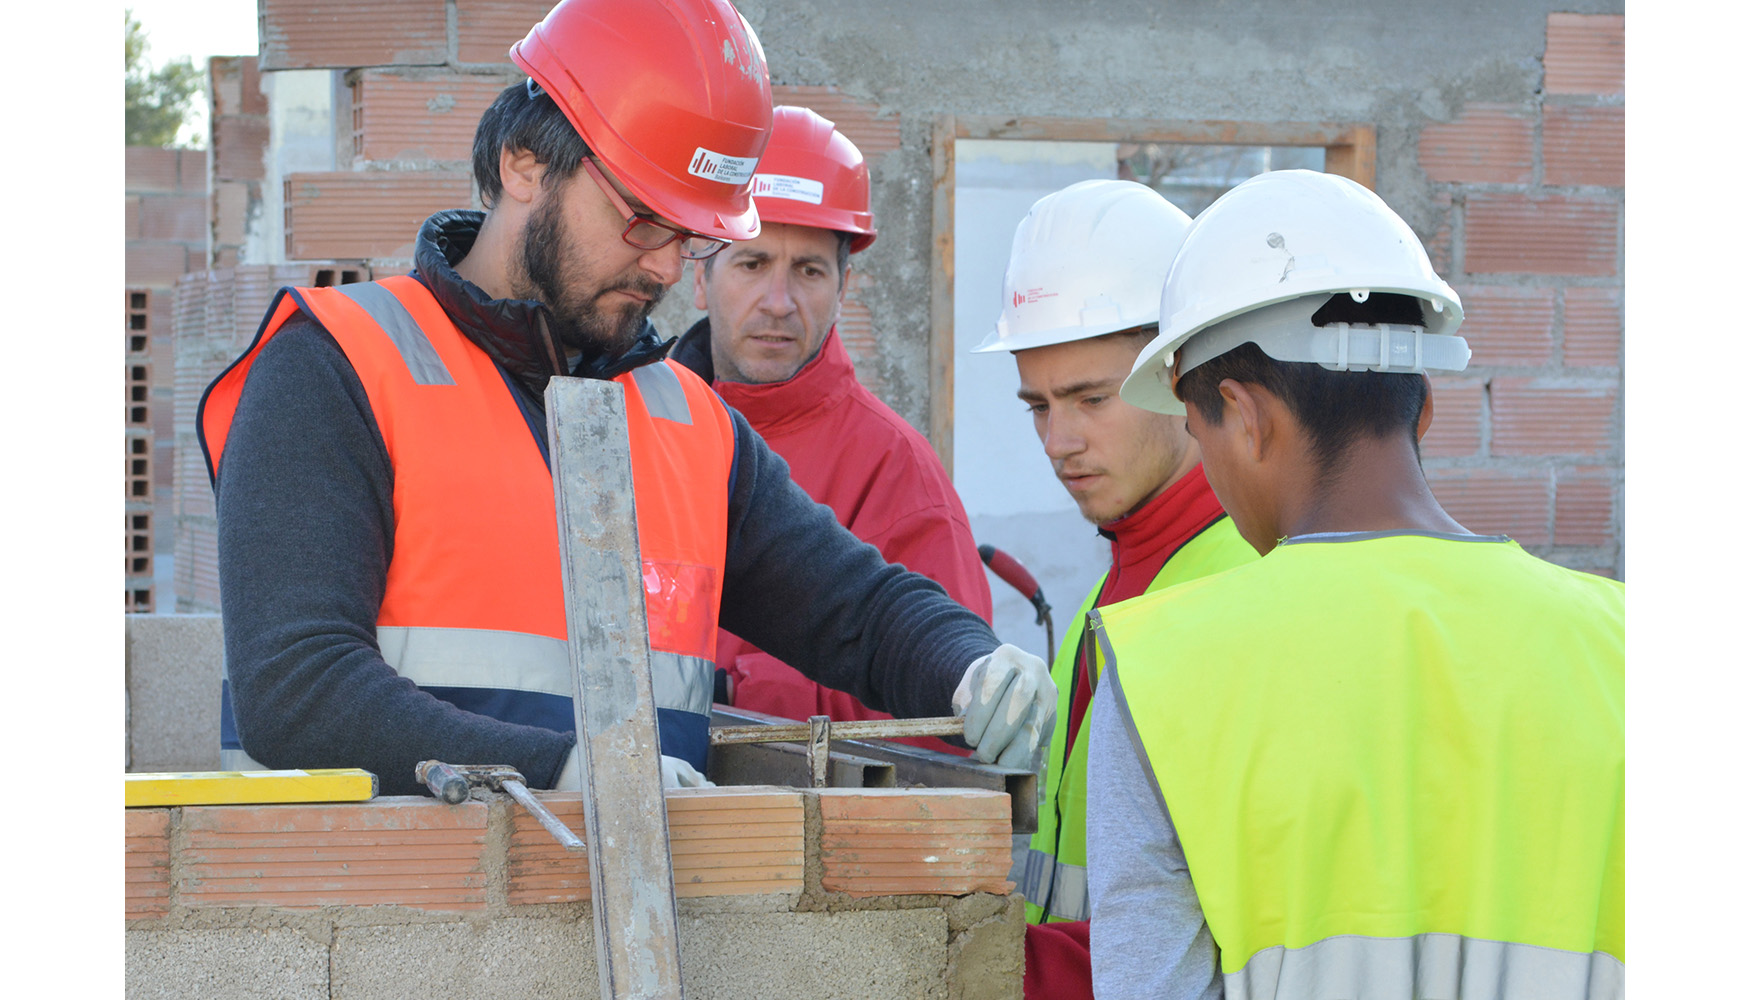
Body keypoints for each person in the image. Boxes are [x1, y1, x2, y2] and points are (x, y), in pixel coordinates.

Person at [196, 0, 1054, 797]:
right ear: (524, 165)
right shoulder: (336, 366)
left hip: (634, 942)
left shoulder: (686, 419)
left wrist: (971, 665)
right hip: (399, 935)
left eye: (690, 237)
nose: (666, 268)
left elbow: (856, 609)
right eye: (643, 219)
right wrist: (564, 770)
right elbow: (296, 687)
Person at [1085, 169, 1625, 999]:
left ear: (1246, 414)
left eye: (1200, 432)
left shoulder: (1165, 672)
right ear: (1424, 409)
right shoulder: (1627, 648)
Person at [969, 179, 1258, 1000]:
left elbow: (1220, 935)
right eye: (1038, 406)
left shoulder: (1240, 589)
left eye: (1091, 399)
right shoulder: (1124, 582)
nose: (1059, 442)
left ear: (1181, 373)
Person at [671, 105, 992, 754]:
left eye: (810, 271)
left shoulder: (894, 468)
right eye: (753, 263)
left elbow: (943, 732)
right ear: (700, 276)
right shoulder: (639, 433)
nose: (779, 302)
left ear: (845, 286)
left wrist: (739, 693)